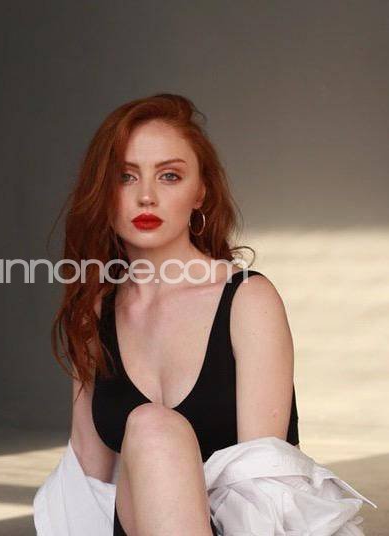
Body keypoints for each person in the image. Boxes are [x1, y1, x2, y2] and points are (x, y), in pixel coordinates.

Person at [33, 94, 376, 535]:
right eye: (125, 176)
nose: (146, 196)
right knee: (151, 427)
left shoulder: (247, 299)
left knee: (154, 427)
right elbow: (87, 479)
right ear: (104, 192)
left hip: (246, 528)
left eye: (169, 176)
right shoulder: (94, 312)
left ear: (200, 192)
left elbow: (263, 488)